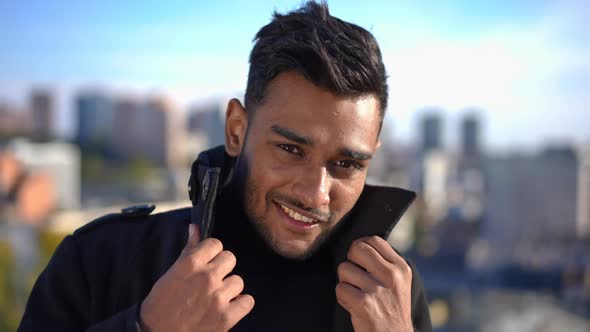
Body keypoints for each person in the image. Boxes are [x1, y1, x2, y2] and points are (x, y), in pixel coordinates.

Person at [19, 2, 432, 331]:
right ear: (237, 130)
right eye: (290, 149)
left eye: (345, 163)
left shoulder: (391, 291)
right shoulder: (102, 261)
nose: (315, 194)